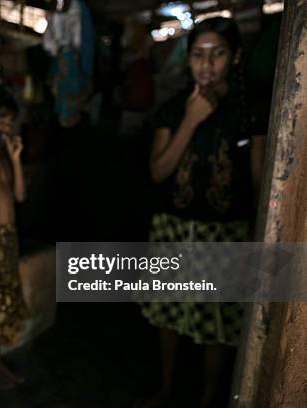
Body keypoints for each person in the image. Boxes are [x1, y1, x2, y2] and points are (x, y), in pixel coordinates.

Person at [140, 17, 266, 408]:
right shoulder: (173, 109)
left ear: (236, 57)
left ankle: (210, 396)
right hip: (173, 228)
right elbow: (159, 171)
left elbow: (260, 182)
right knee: (167, 315)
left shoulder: (252, 110)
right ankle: (166, 387)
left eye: (218, 54)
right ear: (187, 59)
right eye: (198, 55)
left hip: (225, 233)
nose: (207, 64)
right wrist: (191, 122)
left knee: (216, 322)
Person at [0, 88, 29, 387]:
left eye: (10, 122)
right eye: (2, 120)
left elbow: (20, 195)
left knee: (7, 297)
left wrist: (16, 159)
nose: (7, 127)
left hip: (8, 236)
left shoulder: (4, 157)